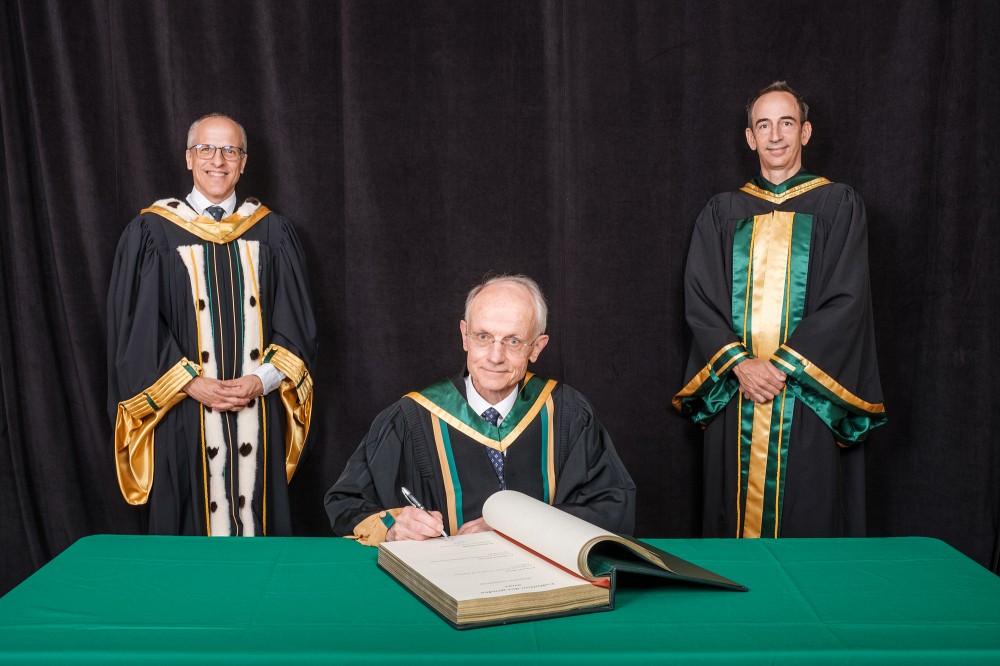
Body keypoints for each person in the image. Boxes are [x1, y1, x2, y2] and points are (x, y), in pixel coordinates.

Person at [673, 82, 887, 539]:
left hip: (807, 394)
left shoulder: (837, 205)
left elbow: (847, 300)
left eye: (786, 123)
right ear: (750, 137)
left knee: (807, 518)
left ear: (805, 132)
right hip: (738, 391)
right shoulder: (721, 212)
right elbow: (700, 299)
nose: (775, 135)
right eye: (763, 125)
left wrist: (782, 368)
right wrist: (740, 365)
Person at [107, 113, 317, 536]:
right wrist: (189, 383)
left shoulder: (274, 232)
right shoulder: (152, 232)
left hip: (257, 415)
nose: (217, 160)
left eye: (229, 150)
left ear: (243, 162)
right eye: (206, 148)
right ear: (189, 158)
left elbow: (298, 325)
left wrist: (262, 380)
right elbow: (135, 329)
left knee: (261, 543)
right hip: (183, 418)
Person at [325, 275, 635, 544]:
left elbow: (613, 506)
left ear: (537, 347)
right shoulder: (410, 418)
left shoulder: (568, 414)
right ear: (464, 336)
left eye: (513, 341)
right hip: (443, 586)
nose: (495, 356)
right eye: (483, 337)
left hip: (543, 587)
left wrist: (518, 528)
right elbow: (346, 503)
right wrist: (394, 527)